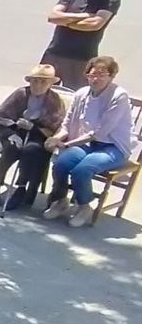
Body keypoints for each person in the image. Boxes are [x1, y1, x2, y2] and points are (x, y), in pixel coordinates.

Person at [42, 55, 135, 227]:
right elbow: (68, 124)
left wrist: (67, 144)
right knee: (62, 163)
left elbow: (100, 132)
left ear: (111, 76)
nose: (96, 78)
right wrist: (55, 138)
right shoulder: (81, 94)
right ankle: (61, 200)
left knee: (83, 170)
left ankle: (84, 206)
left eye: (102, 74)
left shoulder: (118, 96)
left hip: (112, 146)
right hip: (86, 143)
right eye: (92, 74)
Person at [0, 64, 68, 209]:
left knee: (31, 150)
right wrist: (11, 133)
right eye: (35, 81)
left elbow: (55, 127)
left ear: (51, 83)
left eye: (43, 81)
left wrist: (33, 127)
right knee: (11, 149)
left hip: (38, 136)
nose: (38, 85)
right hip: (13, 132)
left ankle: (21, 188)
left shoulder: (55, 100)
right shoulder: (20, 94)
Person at [43, 0, 122, 91]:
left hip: (81, 57)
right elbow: (52, 16)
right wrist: (84, 15)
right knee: (43, 92)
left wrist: (65, 21)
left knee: (76, 96)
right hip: (55, 52)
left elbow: (94, 24)